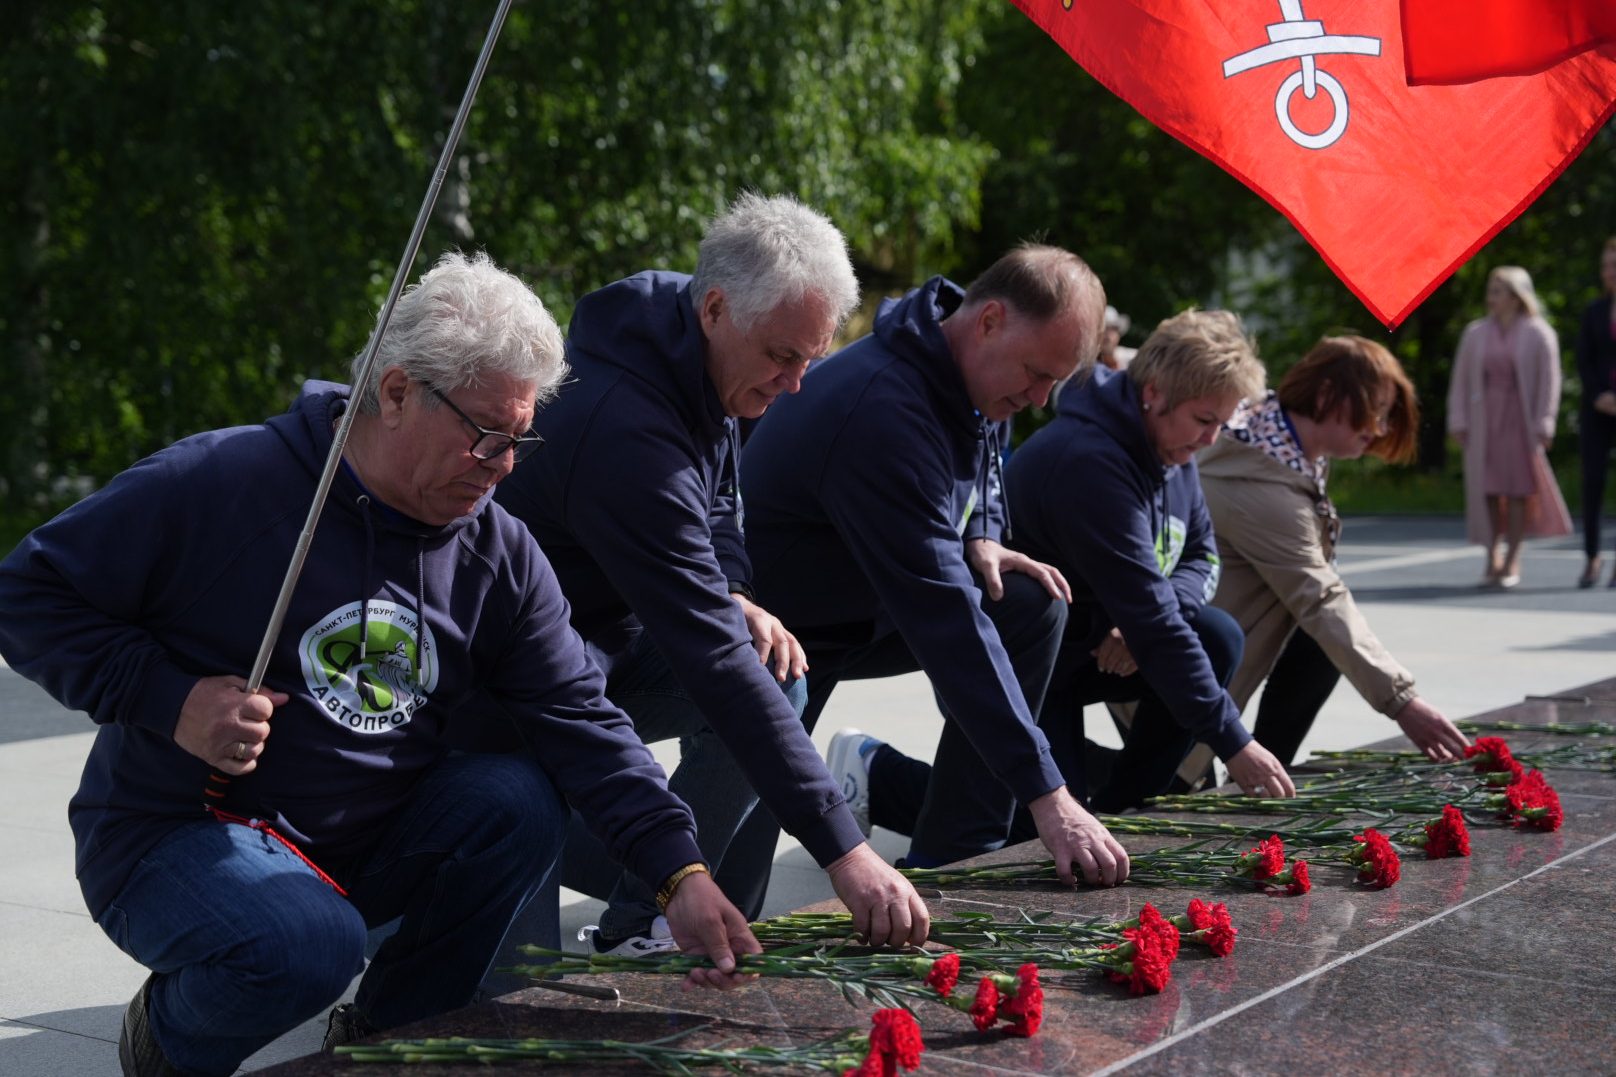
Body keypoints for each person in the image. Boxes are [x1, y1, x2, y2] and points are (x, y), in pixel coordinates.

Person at [0, 252, 758, 1077]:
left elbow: (580, 714)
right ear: (397, 393)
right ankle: (167, 1045)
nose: (505, 466)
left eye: (520, 440)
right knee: (307, 943)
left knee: (511, 799)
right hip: (176, 834)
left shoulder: (497, 550)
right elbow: (27, 594)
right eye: (486, 436)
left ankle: (386, 1043)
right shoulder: (222, 481)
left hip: (361, 839)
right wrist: (170, 699)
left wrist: (676, 870)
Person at [494, 193, 928, 957]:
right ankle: (641, 880)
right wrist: (845, 851)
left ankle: (646, 914)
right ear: (719, 308)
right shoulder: (626, 428)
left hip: (609, 638)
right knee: (506, 990)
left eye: (811, 358)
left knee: (776, 669)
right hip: (514, 690)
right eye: (782, 357)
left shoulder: (703, 347)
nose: (794, 384)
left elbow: (723, 503)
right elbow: (713, 661)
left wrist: (731, 590)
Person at [735, 243, 1132, 885]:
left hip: (865, 606)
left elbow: (989, 448)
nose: (1036, 399)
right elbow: (945, 619)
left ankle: (954, 860)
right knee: (727, 889)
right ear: (990, 320)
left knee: (1027, 604)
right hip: (781, 634)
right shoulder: (886, 408)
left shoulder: (972, 372)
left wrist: (984, 532)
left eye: (1052, 383)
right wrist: (1048, 794)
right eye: (1035, 374)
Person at [838, 310, 1297, 820]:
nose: (1210, 441)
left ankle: (1129, 812)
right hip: (1018, 662)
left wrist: (1143, 617)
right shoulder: (1091, 462)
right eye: (1204, 420)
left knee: (1216, 636)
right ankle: (877, 773)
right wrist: (1235, 742)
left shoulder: (1176, 453)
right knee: (1036, 834)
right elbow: (1156, 621)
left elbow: (1201, 556)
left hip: (1091, 648)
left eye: (1221, 424)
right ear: (1154, 394)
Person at [1198, 335, 1472, 766]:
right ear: (1327, 396)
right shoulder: (1260, 479)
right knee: (1139, 790)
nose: (1379, 428)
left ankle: (1265, 771)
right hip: (1173, 681)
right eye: (1375, 411)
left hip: (1202, 667)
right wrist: (1403, 702)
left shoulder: (1280, 449)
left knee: (1320, 645)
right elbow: (1320, 597)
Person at [1446, 265, 1571, 588]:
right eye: (1490, 290)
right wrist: (1458, 419)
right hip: (1484, 420)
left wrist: (1546, 421)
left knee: (1517, 491)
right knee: (1486, 489)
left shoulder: (1539, 332)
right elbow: (1460, 380)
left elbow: (1550, 381)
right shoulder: (1475, 333)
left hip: (1520, 421)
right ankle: (1492, 556)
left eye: (1498, 291)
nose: (1491, 298)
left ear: (1517, 297)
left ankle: (1513, 557)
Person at [1575, 237, 1616, 587]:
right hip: (1597, 408)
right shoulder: (1593, 312)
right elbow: (1583, 360)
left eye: (1614, 265)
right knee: (1593, 483)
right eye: (1605, 266)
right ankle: (1592, 557)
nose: (1609, 272)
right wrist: (1599, 395)